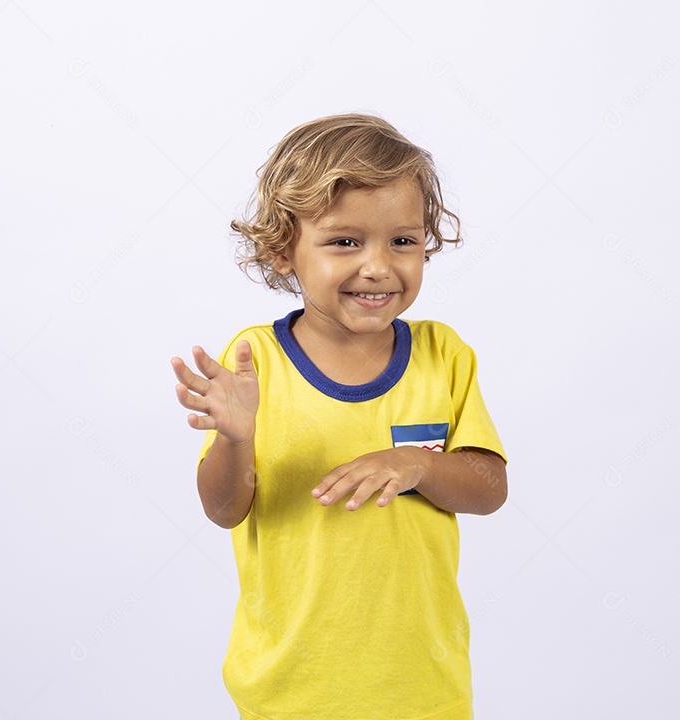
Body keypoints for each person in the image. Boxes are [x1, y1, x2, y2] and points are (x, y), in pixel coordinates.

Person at [170, 113, 507, 720]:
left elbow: (489, 490)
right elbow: (224, 510)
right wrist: (235, 440)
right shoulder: (255, 362)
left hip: (423, 690)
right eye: (345, 242)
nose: (378, 266)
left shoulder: (443, 355)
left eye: (402, 241)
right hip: (289, 692)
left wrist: (416, 466)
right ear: (282, 251)